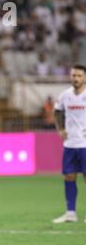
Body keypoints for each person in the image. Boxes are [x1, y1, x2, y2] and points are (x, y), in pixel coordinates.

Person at [52, 64, 86, 224]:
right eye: (74, 75)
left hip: (85, 145)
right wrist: (60, 129)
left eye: (79, 76)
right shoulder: (65, 95)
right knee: (69, 177)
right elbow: (57, 112)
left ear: (84, 78)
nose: (76, 78)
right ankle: (70, 213)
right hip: (70, 144)